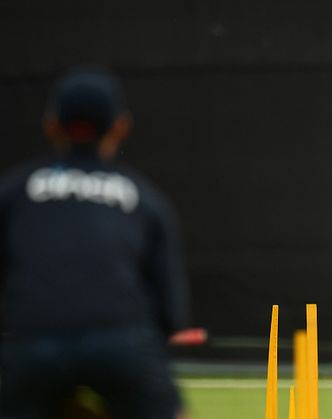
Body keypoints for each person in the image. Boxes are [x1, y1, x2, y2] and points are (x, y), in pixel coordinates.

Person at [0, 68, 190, 418]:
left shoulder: (14, 192)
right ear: (120, 125)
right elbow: (169, 312)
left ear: (51, 125)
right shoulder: (144, 199)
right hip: (121, 341)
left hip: (32, 341)